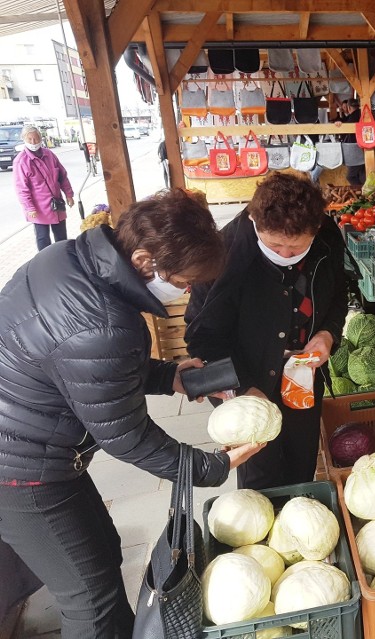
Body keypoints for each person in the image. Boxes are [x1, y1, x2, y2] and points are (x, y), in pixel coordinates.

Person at [0, 189, 264, 638]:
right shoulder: (104, 322)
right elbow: (126, 436)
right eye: (182, 282)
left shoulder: (70, 258)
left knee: (103, 551)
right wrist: (210, 464)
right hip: (22, 470)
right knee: (91, 600)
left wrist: (168, 376)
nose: (183, 291)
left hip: (37, 444)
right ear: (144, 259)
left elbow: (82, 369)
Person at [185, 172, 348, 490]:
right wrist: (245, 388)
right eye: (275, 245)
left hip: (302, 373)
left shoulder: (327, 237)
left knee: (302, 458)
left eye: (296, 246)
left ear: (315, 229)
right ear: (253, 220)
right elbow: (201, 337)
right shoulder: (223, 253)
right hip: (246, 373)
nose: (286, 254)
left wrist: (328, 333)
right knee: (261, 471)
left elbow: (338, 294)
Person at [12, 125, 75, 251]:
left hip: (56, 204)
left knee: (61, 237)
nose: (34, 142)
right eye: (30, 139)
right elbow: (21, 189)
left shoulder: (49, 154)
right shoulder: (21, 161)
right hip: (38, 207)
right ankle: (45, 264)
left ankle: (64, 260)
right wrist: (29, 207)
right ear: (24, 139)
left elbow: (62, 176)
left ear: (41, 138)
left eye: (36, 138)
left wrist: (69, 194)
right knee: (43, 239)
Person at [338, 98, 366, 187]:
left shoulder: (353, 116)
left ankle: (361, 193)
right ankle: (366, 193)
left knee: (351, 176)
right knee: (362, 175)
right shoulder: (361, 114)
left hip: (355, 150)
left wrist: (339, 123)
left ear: (349, 107)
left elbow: (344, 125)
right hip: (364, 149)